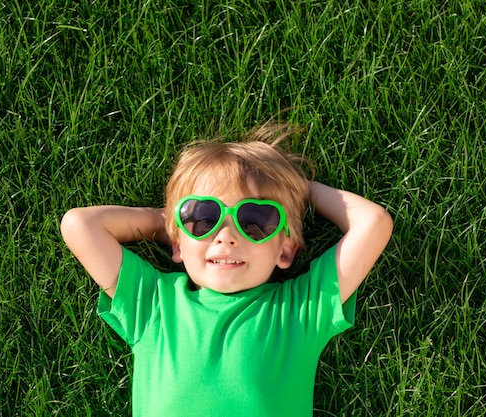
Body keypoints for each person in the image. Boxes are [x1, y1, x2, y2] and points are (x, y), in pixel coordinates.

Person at [60, 123, 393, 417]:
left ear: (286, 250)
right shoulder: (153, 305)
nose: (226, 236)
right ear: (177, 245)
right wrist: (170, 225)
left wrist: (299, 189)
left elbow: (373, 223)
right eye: (204, 218)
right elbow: (80, 225)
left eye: (256, 220)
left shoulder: (301, 309)